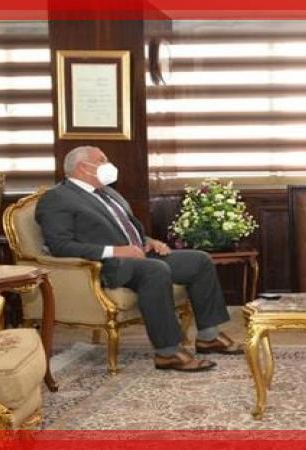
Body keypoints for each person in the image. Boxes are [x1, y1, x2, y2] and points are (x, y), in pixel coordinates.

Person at [36, 146, 242, 372]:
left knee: (199, 261)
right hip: (106, 265)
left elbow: (123, 229)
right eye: (102, 160)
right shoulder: (57, 198)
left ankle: (208, 337)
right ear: (83, 167)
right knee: (155, 270)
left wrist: (148, 241)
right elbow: (60, 246)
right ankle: (168, 352)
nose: (109, 164)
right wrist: (115, 251)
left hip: (139, 255)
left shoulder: (108, 193)